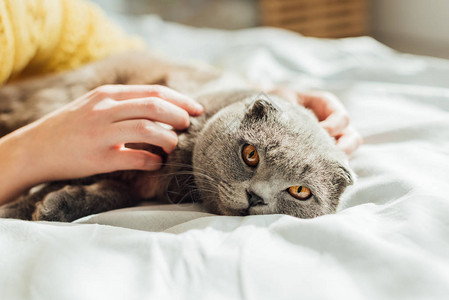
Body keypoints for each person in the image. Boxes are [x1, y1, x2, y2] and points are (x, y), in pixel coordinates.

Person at [0, 0, 362, 206]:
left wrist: (257, 95)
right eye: (250, 157)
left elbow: (119, 54)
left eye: (300, 193)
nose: (258, 195)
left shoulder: (32, 12)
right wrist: (25, 154)